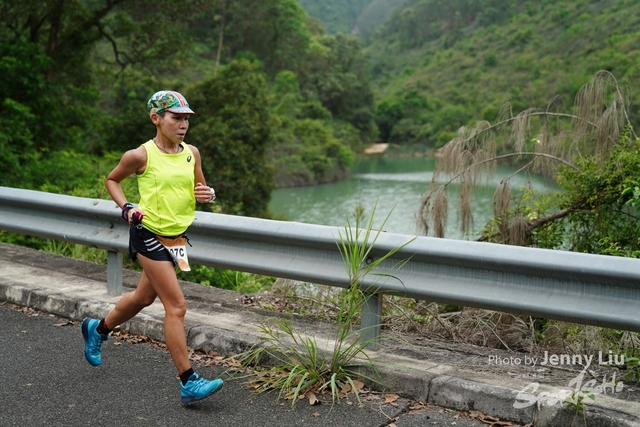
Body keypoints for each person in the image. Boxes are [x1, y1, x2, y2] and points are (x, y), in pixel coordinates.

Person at [81, 90, 223, 405]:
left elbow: (200, 187)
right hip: (149, 234)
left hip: (177, 238)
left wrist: (206, 194)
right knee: (177, 307)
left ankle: (98, 329)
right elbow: (112, 180)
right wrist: (127, 208)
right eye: (176, 117)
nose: (183, 124)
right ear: (156, 118)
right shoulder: (140, 155)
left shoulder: (192, 153)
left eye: (186, 118)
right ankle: (189, 381)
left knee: (143, 297)